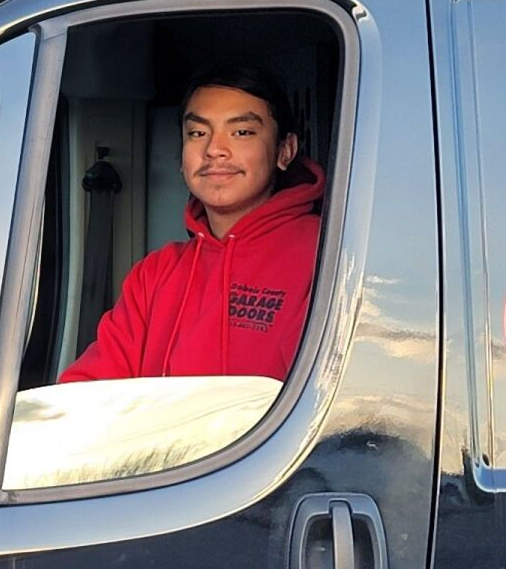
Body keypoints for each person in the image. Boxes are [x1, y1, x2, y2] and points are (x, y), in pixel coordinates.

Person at [60, 65, 325, 383]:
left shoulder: (326, 256)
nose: (214, 149)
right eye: (197, 133)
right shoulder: (156, 274)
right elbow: (88, 391)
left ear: (285, 150)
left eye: (241, 132)